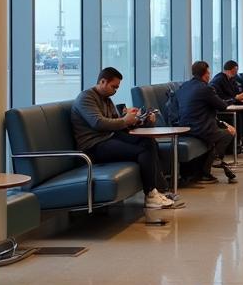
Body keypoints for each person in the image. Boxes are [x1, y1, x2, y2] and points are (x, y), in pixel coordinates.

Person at [70, 67, 177, 209]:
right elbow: (98, 123)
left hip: (109, 137)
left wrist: (137, 119)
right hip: (94, 146)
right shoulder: (86, 97)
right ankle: (151, 195)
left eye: (117, 88)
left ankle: (159, 189)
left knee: (148, 141)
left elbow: (116, 121)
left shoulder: (106, 99)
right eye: (113, 87)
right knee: (142, 150)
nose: (115, 91)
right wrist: (126, 120)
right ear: (102, 81)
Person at [174, 60, 237, 183]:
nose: (209, 75)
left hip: (183, 126)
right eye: (208, 72)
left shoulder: (184, 86)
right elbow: (222, 106)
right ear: (205, 74)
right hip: (199, 127)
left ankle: (206, 167)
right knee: (227, 134)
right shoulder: (206, 89)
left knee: (218, 132)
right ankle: (208, 169)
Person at [210, 60, 243, 148]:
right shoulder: (218, 80)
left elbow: (237, 91)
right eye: (235, 70)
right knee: (240, 113)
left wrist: (240, 96)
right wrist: (235, 98)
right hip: (224, 106)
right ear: (230, 70)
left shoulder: (231, 79)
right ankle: (239, 140)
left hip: (232, 102)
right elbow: (219, 99)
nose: (236, 72)